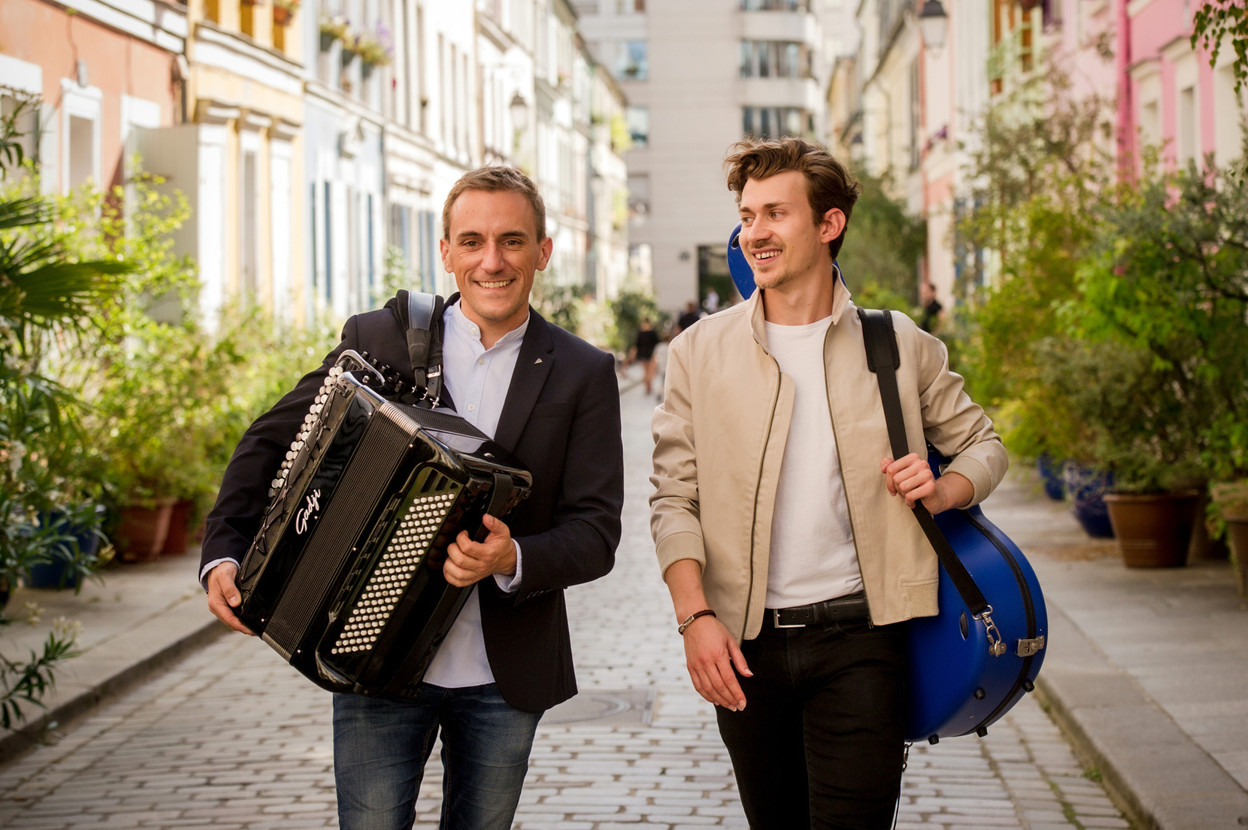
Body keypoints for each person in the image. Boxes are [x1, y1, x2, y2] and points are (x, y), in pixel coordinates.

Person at [200, 165, 624, 830]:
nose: (492, 261)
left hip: (504, 679)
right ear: (446, 251)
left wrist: (511, 557)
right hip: (365, 656)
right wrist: (222, 553)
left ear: (543, 252)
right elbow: (269, 439)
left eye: (513, 241)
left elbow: (597, 532)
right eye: (473, 241)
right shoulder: (384, 338)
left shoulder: (583, 371)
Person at [649, 137, 1007, 830]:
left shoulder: (896, 343)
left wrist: (943, 489)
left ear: (828, 223)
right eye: (747, 216)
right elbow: (673, 499)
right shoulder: (699, 351)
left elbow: (984, 447)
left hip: (861, 642)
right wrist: (694, 619)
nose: (755, 232)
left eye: (775, 214)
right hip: (743, 646)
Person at [626, 317, 661, 395]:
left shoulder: (641, 332)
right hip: (650, 354)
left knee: (647, 371)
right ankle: (648, 387)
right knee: (650, 372)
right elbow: (657, 343)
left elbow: (637, 344)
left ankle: (648, 387)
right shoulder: (652, 332)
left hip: (644, 354)